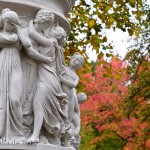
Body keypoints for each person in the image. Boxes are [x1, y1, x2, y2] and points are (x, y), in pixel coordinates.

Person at [24, 20, 70, 144]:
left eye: (54, 29)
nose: (51, 29)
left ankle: (35, 135)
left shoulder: (51, 42)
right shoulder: (54, 44)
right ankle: (43, 133)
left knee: (38, 103)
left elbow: (32, 34)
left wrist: (30, 22)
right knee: (40, 104)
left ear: (58, 37)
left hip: (48, 78)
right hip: (48, 77)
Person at [0, 9, 23, 140]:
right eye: (11, 24)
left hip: (15, 65)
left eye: (15, 24)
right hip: (2, 64)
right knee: (2, 98)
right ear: (4, 22)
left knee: (15, 99)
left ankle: (18, 132)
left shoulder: (17, 34)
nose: (13, 27)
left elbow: (27, 44)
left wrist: (18, 31)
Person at [59, 52, 84, 133]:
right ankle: (61, 128)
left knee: (68, 115)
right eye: (74, 58)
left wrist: (62, 80)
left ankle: (66, 130)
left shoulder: (76, 76)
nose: (75, 60)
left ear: (80, 66)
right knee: (62, 111)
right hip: (61, 94)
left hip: (70, 97)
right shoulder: (64, 68)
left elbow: (73, 84)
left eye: (78, 60)